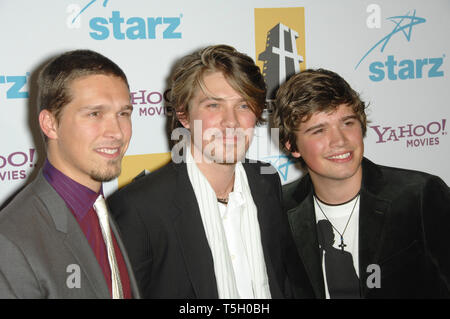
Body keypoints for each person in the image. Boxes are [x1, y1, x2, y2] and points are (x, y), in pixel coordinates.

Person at [107, 44, 313, 299]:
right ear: (183, 114)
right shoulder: (138, 208)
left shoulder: (266, 182)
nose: (231, 121)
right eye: (214, 105)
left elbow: (289, 282)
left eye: (243, 106)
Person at [273, 68, 450, 298]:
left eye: (347, 123)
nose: (340, 141)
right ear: (291, 145)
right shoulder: (280, 210)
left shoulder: (419, 195)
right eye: (319, 130)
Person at [0, 49, 140, 299]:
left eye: (123, 114)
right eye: (94, 114)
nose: (117, 132)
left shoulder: (108, 210)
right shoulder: (10, 241)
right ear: (50, 124)